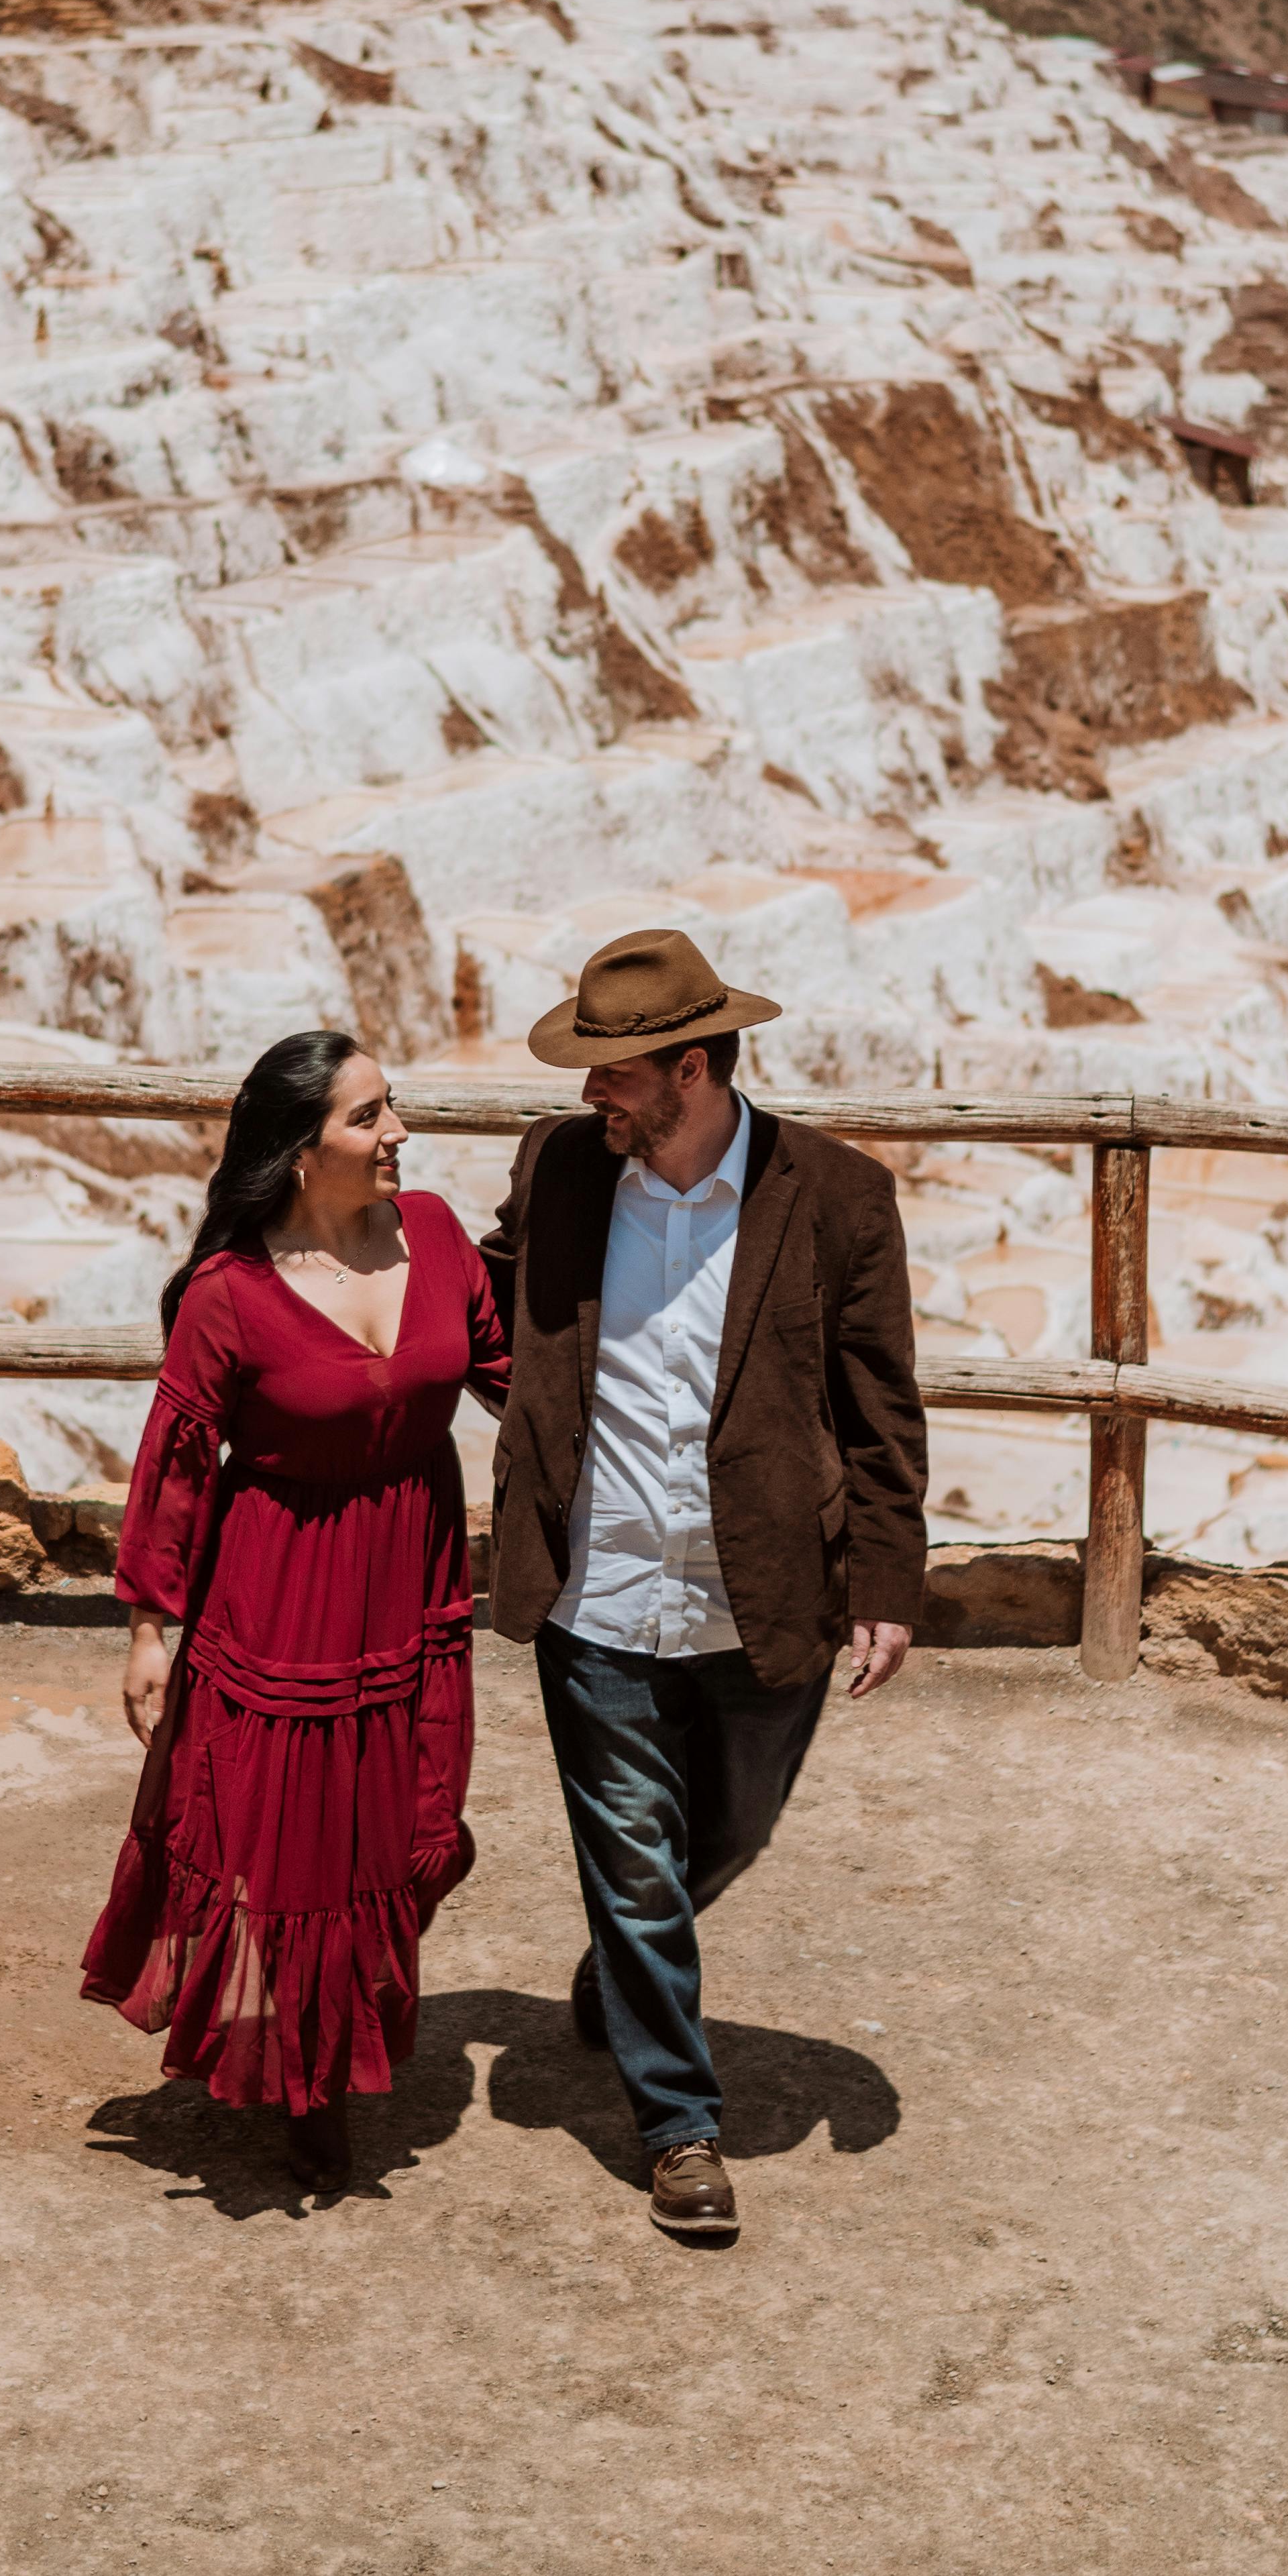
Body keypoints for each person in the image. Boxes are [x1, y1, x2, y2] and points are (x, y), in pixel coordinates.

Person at [481, 927, 926, 2245]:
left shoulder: (836, 1196)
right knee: (631, 1866)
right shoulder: (561, 1171)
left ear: (689, 1066)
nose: (585, 1097)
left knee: (722, 1835)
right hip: (599, 1592)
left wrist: (887, 1581)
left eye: (610, 1073)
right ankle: (677, 2125)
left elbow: (878, 1405)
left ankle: (626, 1976)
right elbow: (494, 1302)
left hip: (762, 1591)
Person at [83, 1028, 509, 2188]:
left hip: (413, 1576)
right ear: (298, 1153)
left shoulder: (433, 1238)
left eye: (394, 1109)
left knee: (409, 1820)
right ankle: (302, 2074)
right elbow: (175, 1460)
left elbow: (517, 1372)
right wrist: (148, 1630)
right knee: (282, 1841)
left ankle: (331, 2028)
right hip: (279, 1586)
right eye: (368, 1119)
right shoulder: (231, 1294)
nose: (399, 1136)